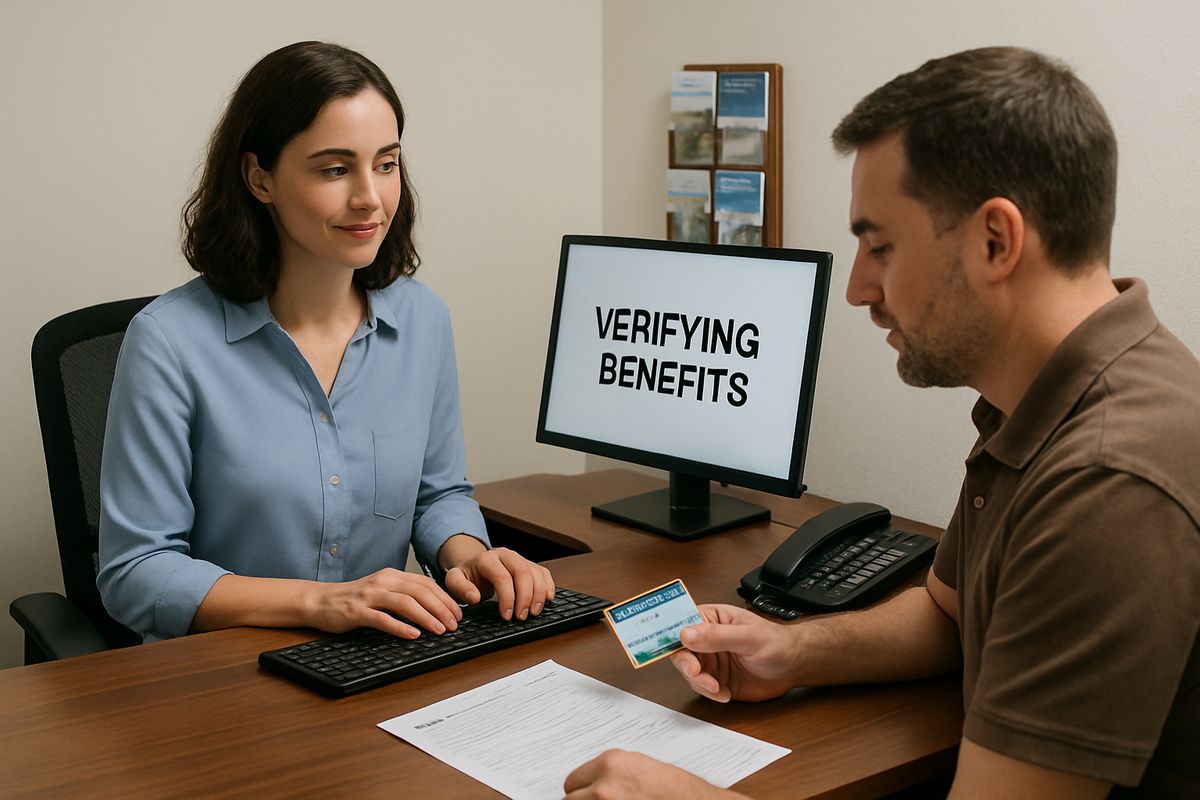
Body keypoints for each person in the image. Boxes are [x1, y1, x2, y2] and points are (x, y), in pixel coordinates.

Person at [564, 47, 1200, 799]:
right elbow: (948, 615)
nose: (859, 287)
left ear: (997, 241)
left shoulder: (1107, 481)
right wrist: (793, 651)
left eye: (881, 246)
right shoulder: (1040, 396)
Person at [98, 41, 554, 643]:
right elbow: (136, 573)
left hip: (377, 662)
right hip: (223, 681)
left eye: (386, 164)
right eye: (335, 170)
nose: (370, 197)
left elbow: (436, 494)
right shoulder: (168, 341)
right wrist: (322, 603)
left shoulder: (422, 320)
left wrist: (466, 552)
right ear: (259, 177)